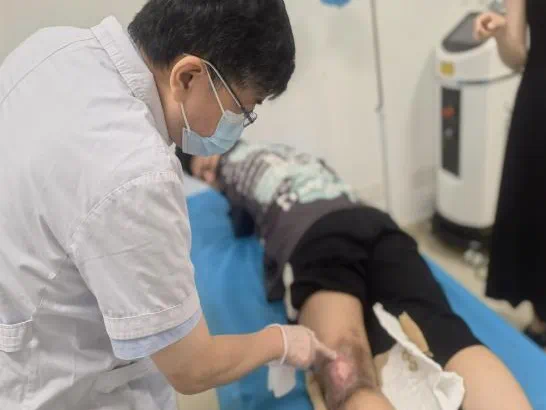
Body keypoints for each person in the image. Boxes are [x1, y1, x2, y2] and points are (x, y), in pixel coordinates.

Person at [0, 1, 337, 409]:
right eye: (243, 109)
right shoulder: (136, 177)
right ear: (188, 76)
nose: (240, 123)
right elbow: (192, 367)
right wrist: (279, 341)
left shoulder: (53, 47)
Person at [177, 141, 533, 410]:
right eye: (201, 176)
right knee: (446, 332)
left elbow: (241, 225)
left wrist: (222, 190)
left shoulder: (231, 169)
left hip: (314, 238)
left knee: (347, 371)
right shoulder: (289, 152)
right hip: (375, 224)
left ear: (214, 146)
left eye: (204, 167)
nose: (208, 176)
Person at [474, 1, 546, 349]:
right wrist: (502, 32)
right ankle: (542, 317)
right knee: (537, 212)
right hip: (540, 100)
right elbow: (516, 56)